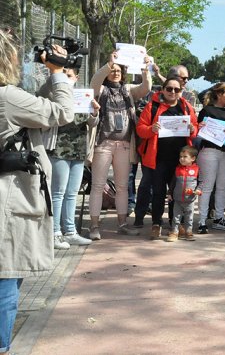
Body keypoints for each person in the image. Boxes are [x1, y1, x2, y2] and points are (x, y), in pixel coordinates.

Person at [0, 29, 74, 354]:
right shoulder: (6, 97)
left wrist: (51, 74)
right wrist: (58, 72)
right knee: (6, 278)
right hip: (8, 197)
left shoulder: (9, 98)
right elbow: (61, 112)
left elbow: (36, 107)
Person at [89, 51, 152, 240]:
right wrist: (109, 63)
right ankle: (94, 226)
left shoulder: (128, 89)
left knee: (123, 186)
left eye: (118, 70)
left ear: (123, 73)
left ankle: (122, 223)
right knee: (98, 185)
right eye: (112, 70)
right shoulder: (100, 90)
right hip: (103, 143)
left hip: (124, 145)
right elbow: (94, 82)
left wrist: (145, 68)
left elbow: (146, 87)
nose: (115, 73)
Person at [135, 75, 198, 240]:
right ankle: (156, 223)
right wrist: (151, 129)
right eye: (169, 88)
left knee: (177, 193)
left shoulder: (186, 107)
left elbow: (195, 128)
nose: (172, 92)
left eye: (176, 89)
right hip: (158, 158)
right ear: (162, 90)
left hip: (180, 160)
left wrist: (192, 129)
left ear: (180, 91)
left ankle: (175, 225)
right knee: (158, 192)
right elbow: (140, 129)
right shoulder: (152, 106)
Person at [48, 68, 99, 249]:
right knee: (58, 192)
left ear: (76, 78)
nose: (66, 79)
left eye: (69, 76)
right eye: (63, 75)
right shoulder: (53, 95)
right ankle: (54, 232)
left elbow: (91, 123)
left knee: (72, 193)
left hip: (78, 151)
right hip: (59, 150)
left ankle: (70, 231)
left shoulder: (82, 96)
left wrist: (94, 112)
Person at [195, 83, 225, 234]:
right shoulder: (207, 110)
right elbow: (200, 130)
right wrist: (200, 126)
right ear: (219, 94)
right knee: (206, 187)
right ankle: (201, 220)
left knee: (222, 187)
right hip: (210, 152)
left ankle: (219, 217)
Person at [167, 146, 200, 242]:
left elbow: (201, 182)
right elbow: (173, 182)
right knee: (176, 217)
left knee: (189, 217)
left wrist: (198, 190)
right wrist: (169, 193)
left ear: (193, 158)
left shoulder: (197, 170)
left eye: (185, 157)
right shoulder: (177, 169)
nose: (182, 159)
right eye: (180, 156)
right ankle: (174, 232)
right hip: (177, 199)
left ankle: (188, 232)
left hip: (190, 200)